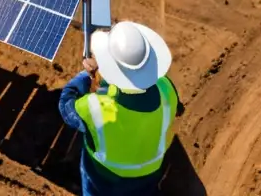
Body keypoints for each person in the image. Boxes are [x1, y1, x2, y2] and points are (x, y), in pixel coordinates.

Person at [57, 21, 181, 196]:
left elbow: (66, 106)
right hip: (149, 174)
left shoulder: (95, 108)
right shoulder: (166, 89)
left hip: (104, 181)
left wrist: (85, 76)